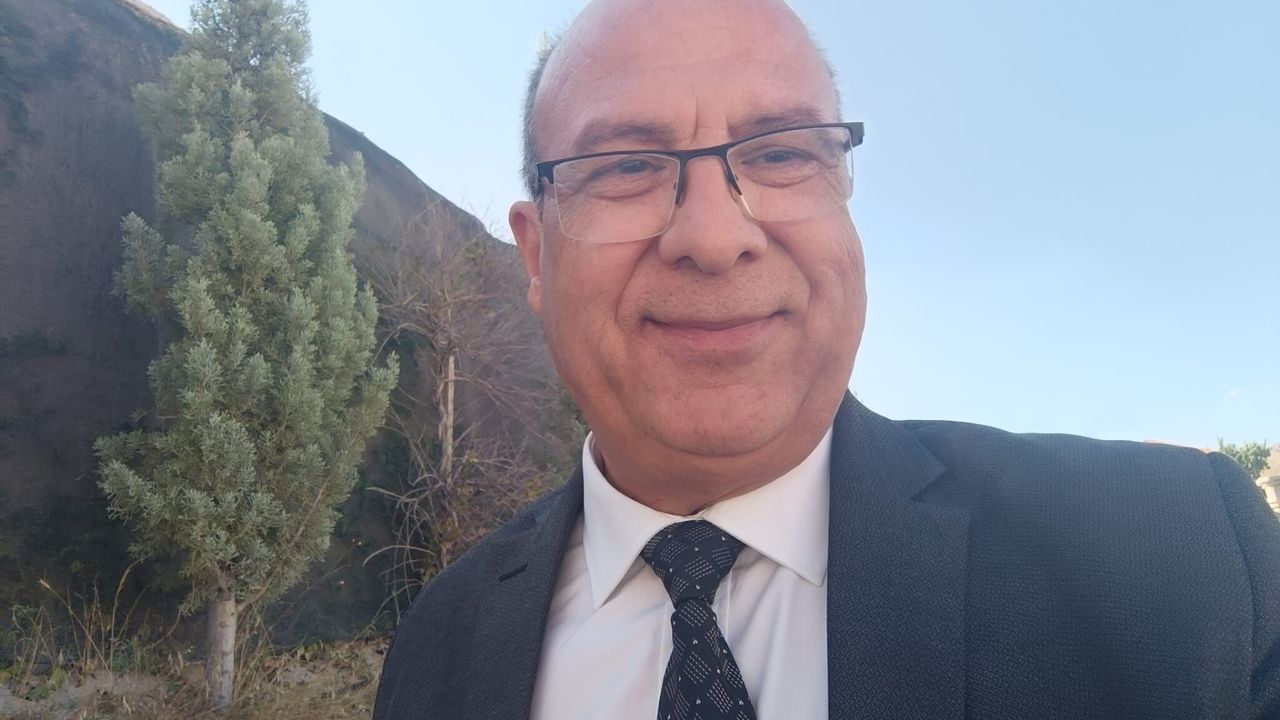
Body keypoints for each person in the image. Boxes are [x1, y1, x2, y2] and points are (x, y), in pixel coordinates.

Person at [373, 0, 1280, 717]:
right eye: (626, 166)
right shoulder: (440, 643)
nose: (714, 237)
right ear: (536, 254)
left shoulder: (1188, 571)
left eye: (779, 153)